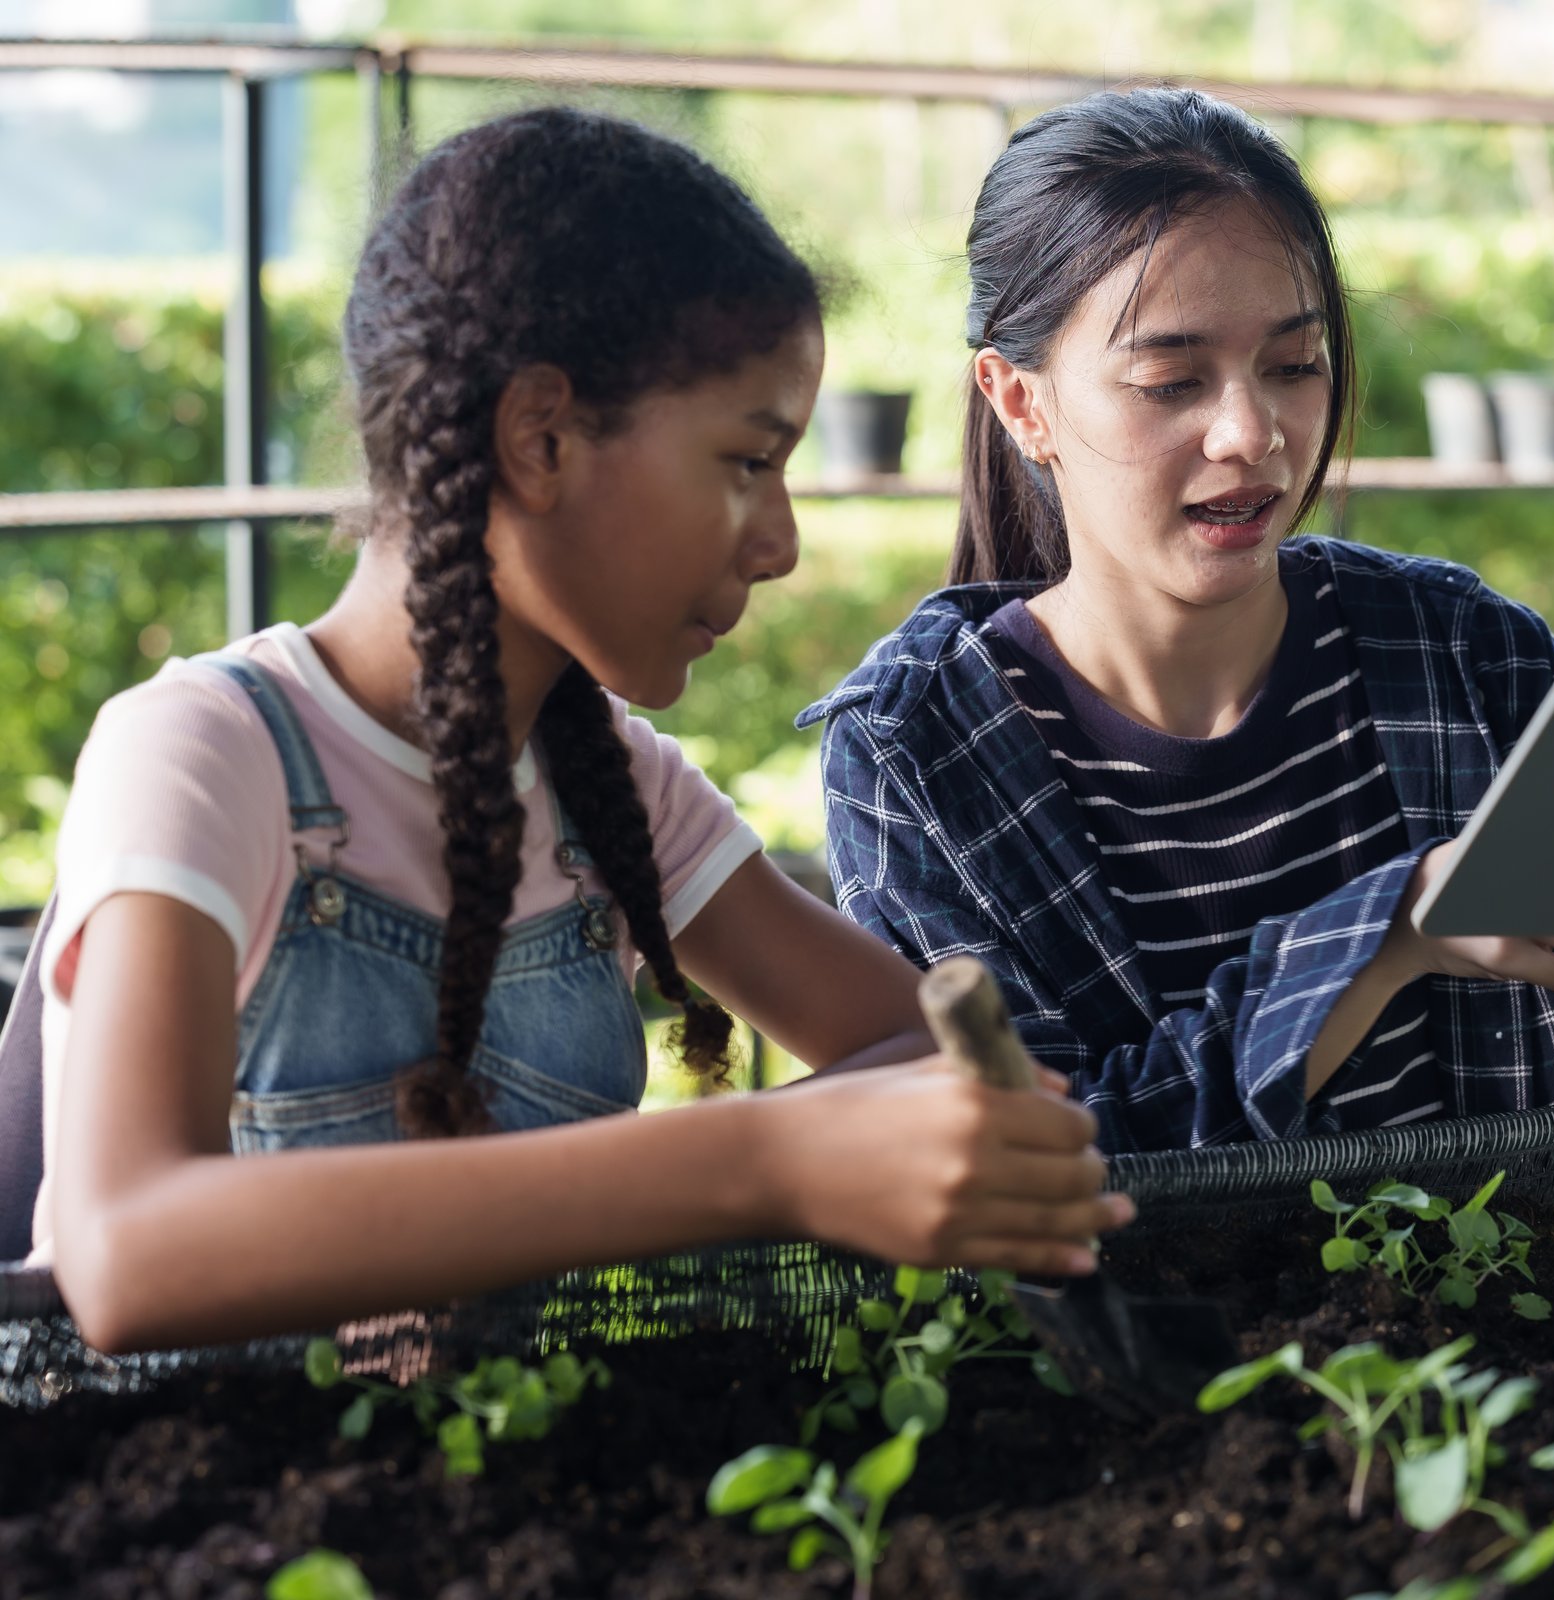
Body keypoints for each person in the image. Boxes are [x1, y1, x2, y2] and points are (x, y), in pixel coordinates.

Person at [21, 107, 1124, 1355]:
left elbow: (919, 1045)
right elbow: (125, 1249)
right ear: (539, 439)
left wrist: (868, 1146)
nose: (782, 543)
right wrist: (755, 1157)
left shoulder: (617, 789)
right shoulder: (208, 756)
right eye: (747, 462)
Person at [802, 87, 1554, 1155]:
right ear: (1020, 400)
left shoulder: (1447, 647)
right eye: (1171, 380)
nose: (1254, 435)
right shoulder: (916, 754)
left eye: (1294, 363)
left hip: (1527, 1357)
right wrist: (1387, 930)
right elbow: (1056, 1158)